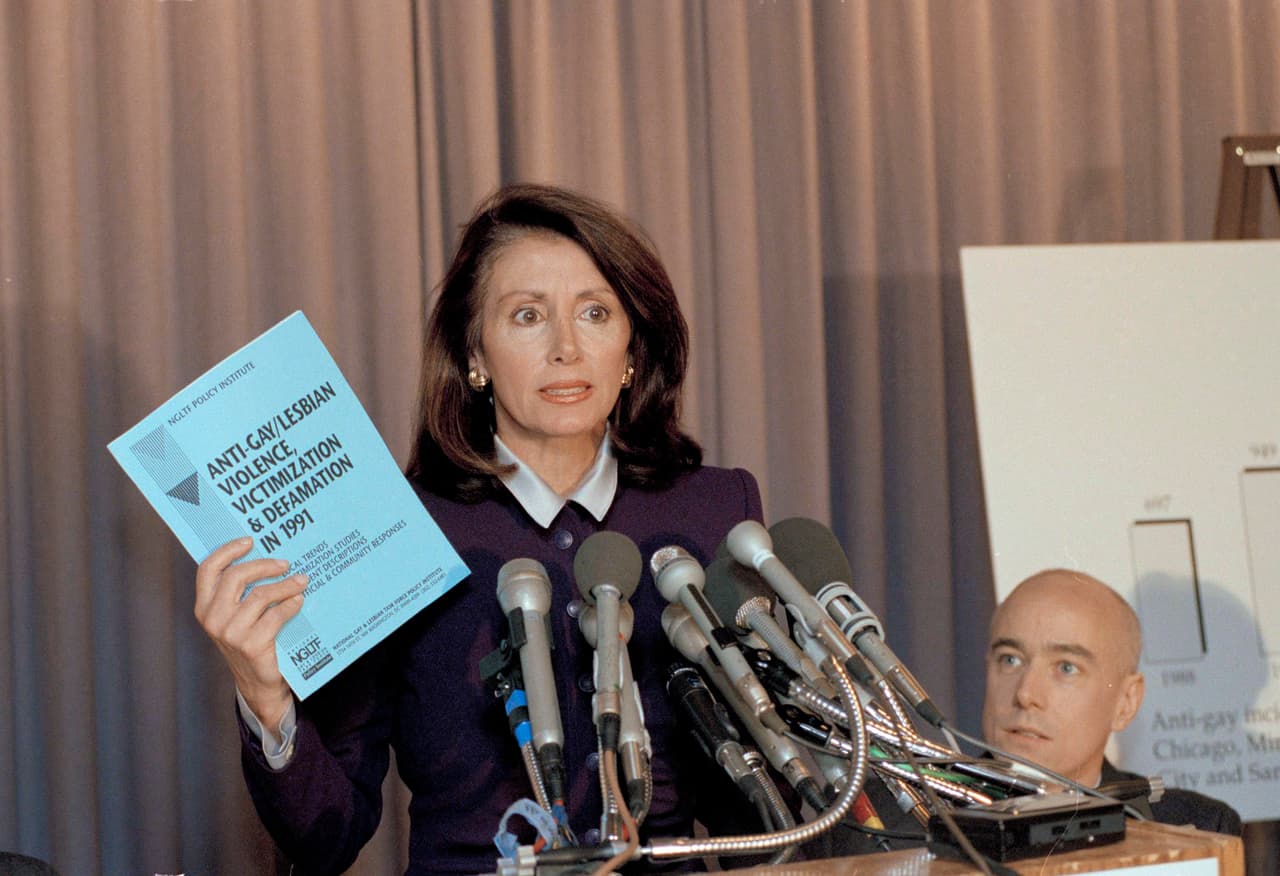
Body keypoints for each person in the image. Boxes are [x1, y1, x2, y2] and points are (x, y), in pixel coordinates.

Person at [194, 183, 765, 874]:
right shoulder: (397, 530)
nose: (565, 348)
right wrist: (266, 699)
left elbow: (754, 809)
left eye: (594, 312)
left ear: (633, 351)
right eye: (527, 315)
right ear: (474, 358)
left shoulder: (711, 511)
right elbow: (327, 833)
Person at [982, 568, 1241, 835]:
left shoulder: (1195, 828)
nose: (1025, 694)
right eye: (1010, 659)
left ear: (1126, 702)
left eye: (1066, 668)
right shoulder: (936, 820)